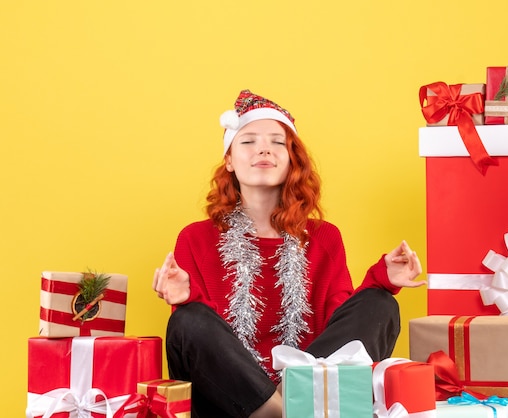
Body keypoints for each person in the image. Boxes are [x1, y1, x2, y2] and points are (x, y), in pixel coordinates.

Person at [153, 89, 425, 418]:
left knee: (381, 304)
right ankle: (275, 411)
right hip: (230, 402)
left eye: (277, 141)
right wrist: (187, 297)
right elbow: (205, 345)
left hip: (307, 388)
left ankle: (286, 400)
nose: (264, 149)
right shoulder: (195, 237)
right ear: (229, 159)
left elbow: (341, 323)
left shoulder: (324, 237)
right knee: (187, 320)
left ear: (291, 159)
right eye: (248, 141)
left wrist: (382, 280)